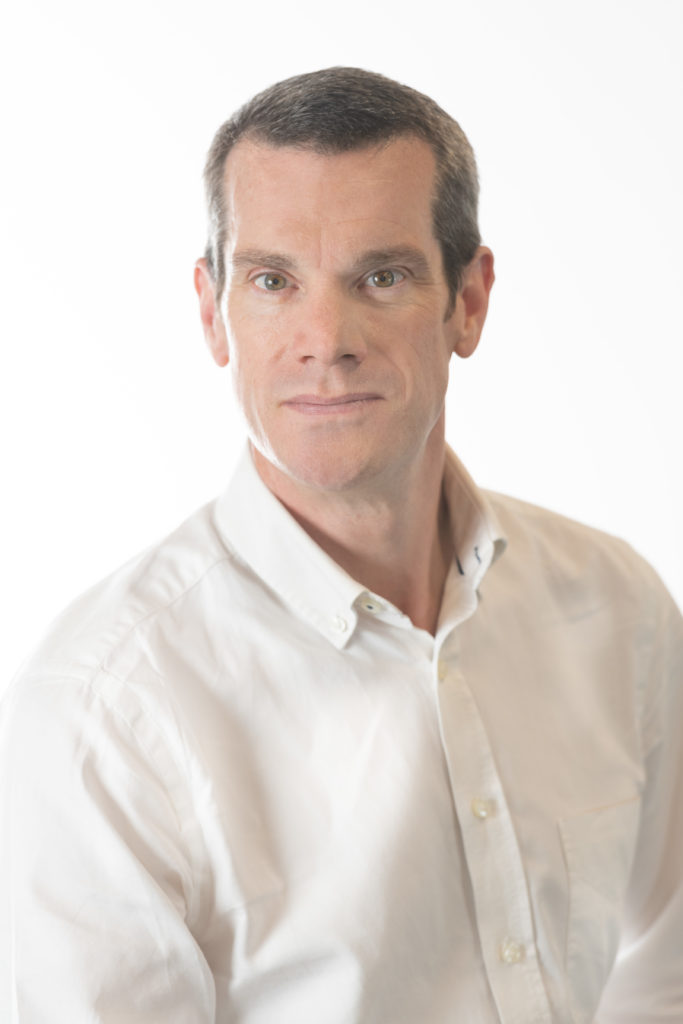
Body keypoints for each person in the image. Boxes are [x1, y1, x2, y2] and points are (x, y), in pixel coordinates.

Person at [1, 67, 681, 1023]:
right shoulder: (101, 716)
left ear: (469, 301)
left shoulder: (615, 605)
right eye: (273, 281)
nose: (325, 338)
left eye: (381, 276)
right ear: (213, 311)